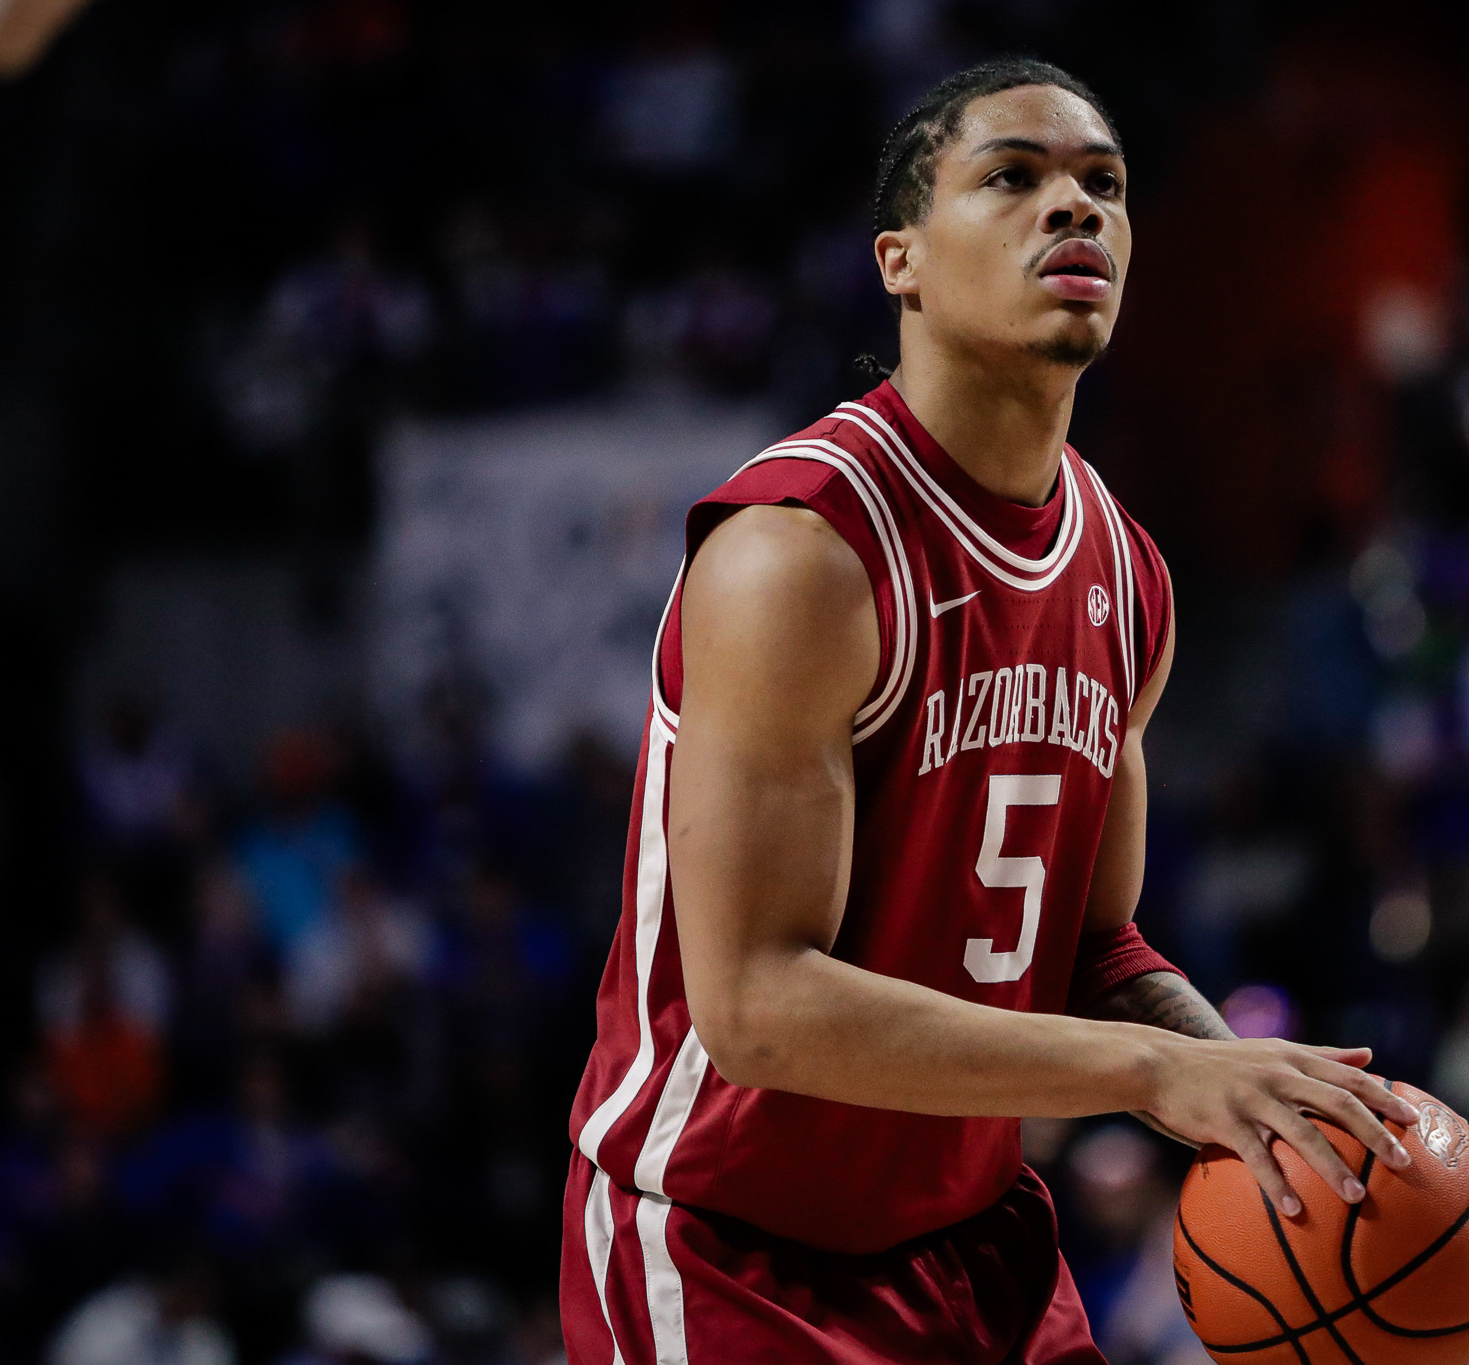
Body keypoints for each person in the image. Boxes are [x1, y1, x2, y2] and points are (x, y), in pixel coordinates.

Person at [558, 57, 1418, 1365]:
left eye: (1104, 186)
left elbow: (1095, 948)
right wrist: (1151, 1077)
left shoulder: (1128, 575)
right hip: (736, 1253)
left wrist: (1261, 1085)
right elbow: (758, 1010)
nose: (1072, 209)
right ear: (900, 258)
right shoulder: (804, 554)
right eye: (1013, 177)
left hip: (974, 1247)